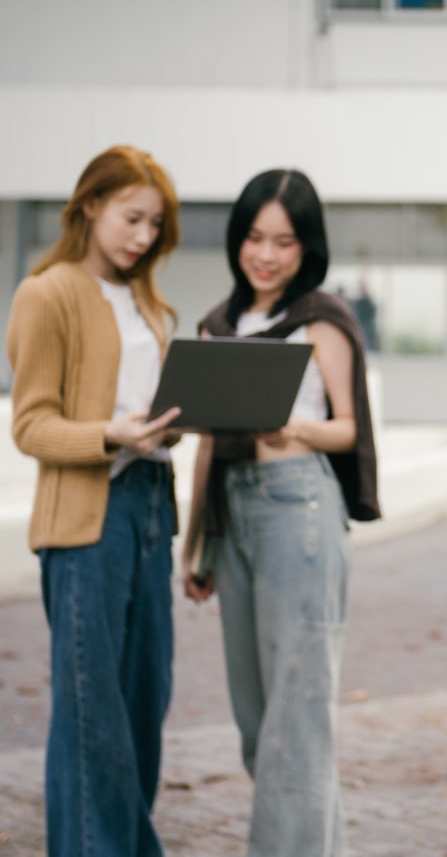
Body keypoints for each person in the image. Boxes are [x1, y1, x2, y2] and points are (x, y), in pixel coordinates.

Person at [182, 169, 379, 857]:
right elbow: (206, 440)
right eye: (255, 238)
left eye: (284, 242)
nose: (266, 255)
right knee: (256, 715)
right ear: (238, 240)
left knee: (297, 715)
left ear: (307, 249)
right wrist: (195, 547)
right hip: (231, 513)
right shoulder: (220, 325)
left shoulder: (321, 320)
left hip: (298, 505)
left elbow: (350, 427)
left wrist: (292, 430)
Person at [7, 145, 182, 856]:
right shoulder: (46, 292)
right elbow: (31, 423)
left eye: (154, 227)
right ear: (89, 206)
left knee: (143, 704)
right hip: (86, 523)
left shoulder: (146, 300)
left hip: (149, 510)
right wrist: (109, 435)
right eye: (132, 218)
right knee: (92, 715)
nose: (143, 237)